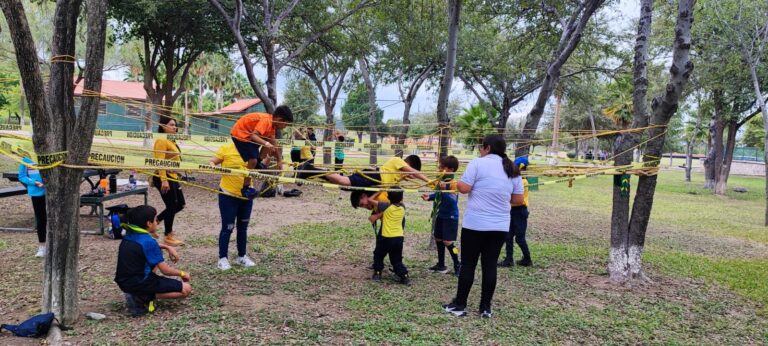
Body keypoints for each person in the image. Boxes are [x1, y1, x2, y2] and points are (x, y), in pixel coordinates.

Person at [442, 134, 524, 319]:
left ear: (487, 148)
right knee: (489, 266)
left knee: (468, 264)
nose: (480, 150)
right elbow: (518, 199)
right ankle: (485, 308)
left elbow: (463, 188)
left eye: (481, 147)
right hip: (500, 226)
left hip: (475, 225)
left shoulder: (477, 163)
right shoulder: (512, 169)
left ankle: (460, 305)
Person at [115, 205, 192, 317]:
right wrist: (182, 273)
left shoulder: (131, 234)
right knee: (186, 289)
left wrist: (167, 247)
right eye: (156, 219)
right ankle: (142, 296)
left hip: (124, 282)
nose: (157, 222)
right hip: (140, 282)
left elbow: (149, 245)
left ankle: (138, 293)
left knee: (154, 255)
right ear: (149, 223)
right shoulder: (148, 242)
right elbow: (165, 270)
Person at [302, 155, 430, 203]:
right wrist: (429, 181)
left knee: (342, 185)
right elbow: (414, 172)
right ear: (408, 164)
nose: (410, 176)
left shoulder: (397, 177)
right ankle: (310, 168)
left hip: (375, 181)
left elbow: (384, 187)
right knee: (344, 181)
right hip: (374, 176)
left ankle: (310, 174)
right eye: (410, 171)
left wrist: (371, 198)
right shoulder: (398, 161)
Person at [209, 144, 256, 271]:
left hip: (246, 195)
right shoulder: (226, 148)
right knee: (228, 227)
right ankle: (222, 258)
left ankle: (242, 256)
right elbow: (212, 161)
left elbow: (259, 166)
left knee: (243, 228)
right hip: (228, 194)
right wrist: (213, 167)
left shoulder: (251, 149)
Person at [230, 105, 293, 195]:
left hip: (249, 136)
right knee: (252, 161)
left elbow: (273, 142)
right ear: (279, 120)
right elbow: (254, 136)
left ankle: (258, 163)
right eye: (285, 124)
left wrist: (279, 160)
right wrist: (267, 144)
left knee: (269, 142)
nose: (285, 127)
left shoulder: (272, 126)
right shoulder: (266, 121)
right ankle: (245, 188)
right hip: (240, 134)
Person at [422, 155, 460, 276]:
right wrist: (430, 197)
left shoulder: (453, 183)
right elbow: (438, 195)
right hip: (441, 214)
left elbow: (453, 201)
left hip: (450, 216)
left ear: (451, 169)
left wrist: (444, 191)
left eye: (442, 167)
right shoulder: (442, 181)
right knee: (438, 238)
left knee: (448, 241)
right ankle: (441, 264)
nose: (439, 169)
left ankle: (458, 264)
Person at [152, 117, 185, 246]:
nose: (174, 127)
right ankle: (168, 236)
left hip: (173, 176)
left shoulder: (171, 140)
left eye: (175, 125)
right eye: (171, 125)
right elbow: (159, 161)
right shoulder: (161, 140)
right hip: (163, 176)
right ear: (163, 126)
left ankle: (155, 221)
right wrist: (164, 180)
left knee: (180, 204)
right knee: (172, 205)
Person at [367, 188, 410, 285]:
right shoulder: (403, 207)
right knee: (396, 259)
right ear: (401, 198)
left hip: (385, 237)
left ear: (388, 197)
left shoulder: (384, 206)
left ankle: (377, 273)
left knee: (378, 255)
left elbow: (369, 200)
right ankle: (404, 276)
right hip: (398, 238)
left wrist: (379, 191)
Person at [498, 156, 532, 267]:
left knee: (519, 237)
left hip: (520, 211)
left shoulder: (523, 181)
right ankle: (509, 260)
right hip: (512, 210)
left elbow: (516, 198)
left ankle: (527, 259)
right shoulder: (515, 179)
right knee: (508, 236)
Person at [18, 157, 46, 257]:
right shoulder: (26, 159)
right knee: (41, 219)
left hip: (53, 193)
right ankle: (42, 247)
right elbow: (21, 176)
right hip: (37, 193)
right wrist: (34, 182)